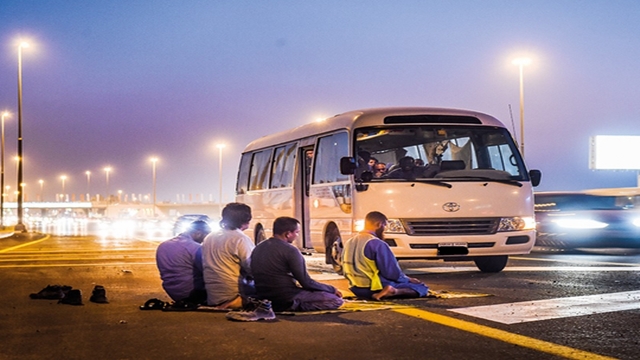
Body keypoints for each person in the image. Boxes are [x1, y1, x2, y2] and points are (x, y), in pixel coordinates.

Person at [251, 217, 343, 312]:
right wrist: (332, 289)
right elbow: (306, 282)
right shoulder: (290, 250)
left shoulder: (258, 247)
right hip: (286, 297)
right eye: (296, 232)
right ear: (288, 234)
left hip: (263, 296)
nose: (297, 235)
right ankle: (292, 306)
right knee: (335, 300)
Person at [341, 211, 428, 300]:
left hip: (355, 288)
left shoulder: (349, 242)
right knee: (421, 288)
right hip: (375, 287)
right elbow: (391, 273)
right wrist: (408, 280)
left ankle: (381, 293)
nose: (384, 230)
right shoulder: (377, 243)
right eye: (384, 226)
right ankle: (393, 291)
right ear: (379, 225)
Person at [202, 203, 255, 309]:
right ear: (246, 220)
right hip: (233, 293)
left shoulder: (209, 237)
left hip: (213, 295)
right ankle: (238, 302)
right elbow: (252, 267)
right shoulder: (240, 239)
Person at [156, 220, 211, 304]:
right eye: (206, 235)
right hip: (193, 293)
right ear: (198, 233)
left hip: (172, 292)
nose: (206, 239)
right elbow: (208, 271)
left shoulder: (163, 245)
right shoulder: (195, 248)